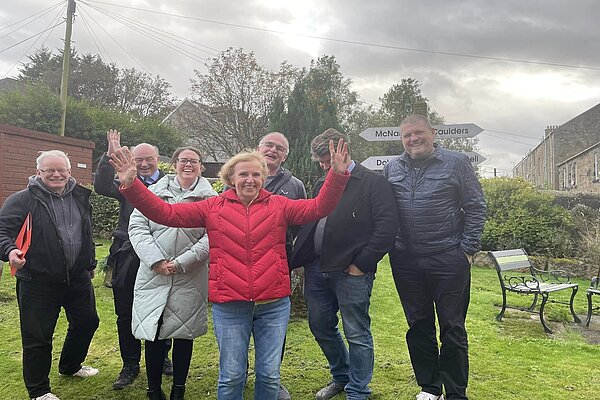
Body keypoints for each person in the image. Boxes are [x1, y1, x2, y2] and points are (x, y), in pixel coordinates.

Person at [109, 137, 351, 400]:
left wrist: (337, 175)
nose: (250, 180)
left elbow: (319, 207)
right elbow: (166, 214)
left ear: (264, 177)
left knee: (269, 376)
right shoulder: (213, 207)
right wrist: (132, 184)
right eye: (243, 174)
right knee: (232, 376)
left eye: (256, 174)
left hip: (273, 304)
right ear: (231, 178)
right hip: (230, 304)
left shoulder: (279, 206)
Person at [382, 115, 486, 400]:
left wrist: (466, 249)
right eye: (407, 135)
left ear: (433, 133)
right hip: (405, 261)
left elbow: (476, 206)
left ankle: (455, 392)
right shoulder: (392, 168)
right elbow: (383, 211)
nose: (413, 139)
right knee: (418, 325)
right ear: (401, 139)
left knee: (452, 327)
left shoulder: (456, 163)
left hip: (447, 258)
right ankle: (429, 387)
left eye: (418, 133)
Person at [290, 128, 399, 400]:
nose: (325, 166)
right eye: (321, 162)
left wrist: (362, 264)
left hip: (352, 272)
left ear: (344, 150)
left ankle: (358, 390)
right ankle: (341, 376)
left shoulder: (373, 182)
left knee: (356, 332)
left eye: (327, 160)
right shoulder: (321, 182)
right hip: (316, 269)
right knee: (320, 326)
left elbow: (387, 229)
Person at [0, 150, 99, 400]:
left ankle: (70, 366)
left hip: (77, 278)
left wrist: (90, 262)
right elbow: (3, 231)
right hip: (38, 281)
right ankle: (39, 390)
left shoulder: (80, 195)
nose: (56, 174)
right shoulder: (22, 200)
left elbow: (86, 232)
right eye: (49, 170)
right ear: (38, 173)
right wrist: (10, 251)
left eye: (61, 170)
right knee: (37, 337)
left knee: (87, 322)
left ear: (69, 171)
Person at [129, 146, 217, 400]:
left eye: (194, 161)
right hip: (154, 273)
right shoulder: (151, 193)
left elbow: (212, 236)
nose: (188, 165)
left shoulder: (211, 199)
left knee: (183, 332)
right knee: (153, 332)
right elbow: (137, 227)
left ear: (201, 166)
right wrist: (156, 260)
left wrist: (181, 263)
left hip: (190, 274)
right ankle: (153, 389)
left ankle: (179, 388)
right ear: (173, 164)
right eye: (183, 160)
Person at [94, 130, 171, 390]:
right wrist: (111, 153)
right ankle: (130, 363)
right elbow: (101, 186)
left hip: (160, 251)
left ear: (158, 159)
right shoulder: (125, 180)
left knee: (162, 307)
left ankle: (162, 358)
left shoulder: (170, 185)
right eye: (138, 159)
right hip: (127, 251)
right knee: (125, 310)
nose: (144, 164)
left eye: (149, 159)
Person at [257, 132, 306, 400]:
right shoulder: (240, 174)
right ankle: (237, 373)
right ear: (259, 147)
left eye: (280, 148)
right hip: (239, 263)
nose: (273, 150)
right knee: (237, 323)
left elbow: (299, 225)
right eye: (269, 145)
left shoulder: (295, 186)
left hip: (278, 263)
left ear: (285, 155)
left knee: (275, 324)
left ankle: (272, 379)